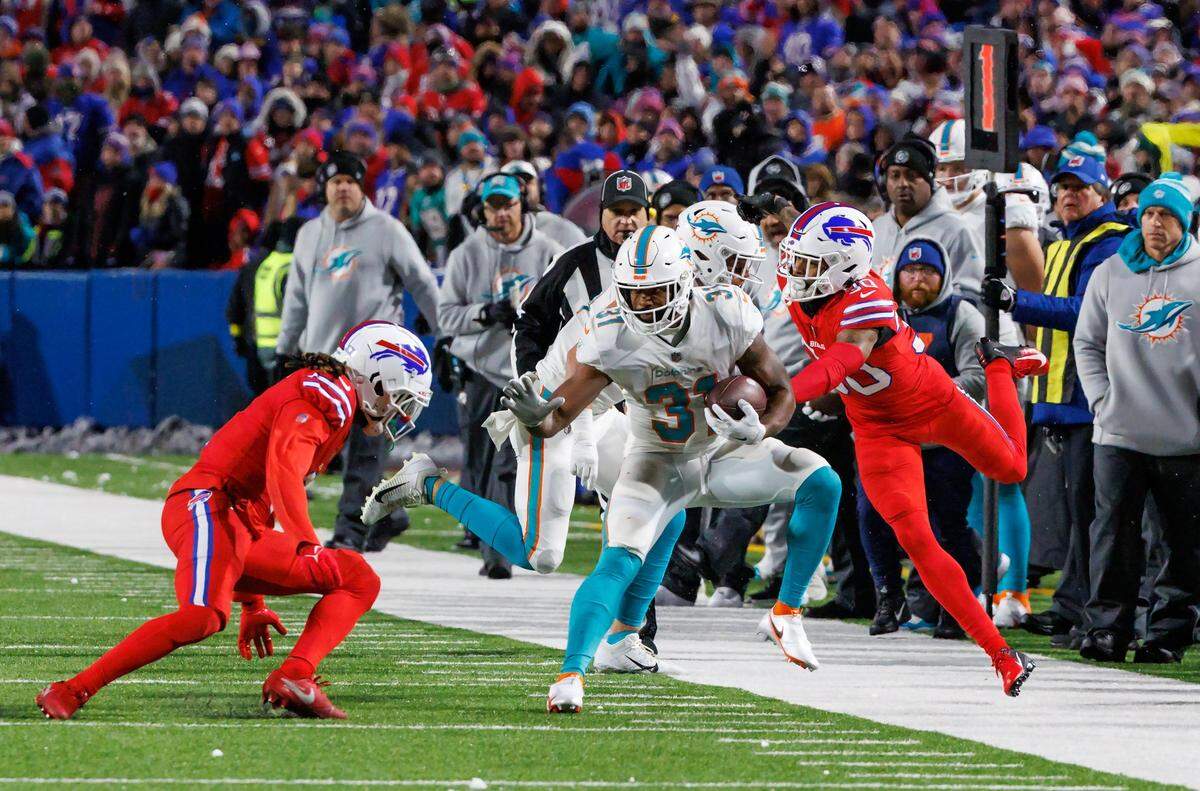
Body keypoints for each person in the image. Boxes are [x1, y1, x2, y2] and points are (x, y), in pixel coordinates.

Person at [500, 225, 839, 713]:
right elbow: (560, 416)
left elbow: (783, 391)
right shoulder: (611, 330)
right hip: (656, 462)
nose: (645, 306)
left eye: (656, 292)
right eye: (635, 295)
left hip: (723, 453)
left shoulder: (725, 312)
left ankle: (786, 613)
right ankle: (571, 674)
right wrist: (540, 417)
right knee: (618, 562)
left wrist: (761, 431)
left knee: (821, 479)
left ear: (684, 281)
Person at [35, 322, 432, 721]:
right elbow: (282, 471)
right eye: (402, 395)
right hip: (207, 504)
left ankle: (294, 676)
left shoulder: (336, 400)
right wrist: (306, 544)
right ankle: (71, 690)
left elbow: (266, 495)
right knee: (201, 617)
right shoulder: (327, 395)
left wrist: (252, 603)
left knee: (358, 578)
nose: (401, 409)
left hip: (239, 520)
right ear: (378, 375)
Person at [777, 200, 1039, 696]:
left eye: (808, 264)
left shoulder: (865, 302)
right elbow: (793, 247)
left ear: (843, 268)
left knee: (1012, 469)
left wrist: (784, 393)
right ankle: (1001, 655)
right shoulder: (805, 285)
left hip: (934, 403)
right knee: (918, 542)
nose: (794, 272)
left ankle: (1000, 365)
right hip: (878, 429)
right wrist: (774, 212)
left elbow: (838, 364)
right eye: (796, 261)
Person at [982, 155, 1130, 647]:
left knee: (1089, 508)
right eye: (1063, 187)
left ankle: (1091, 609)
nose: (1069, 196)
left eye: (1080, 188)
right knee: (1074, 508)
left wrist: (1014, 302)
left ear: (1100, 194)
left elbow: (1083, 312)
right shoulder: (1071, 239)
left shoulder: (1106, 243)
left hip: (1087, 394)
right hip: (1062, 393)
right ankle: (1073, 603)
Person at [276, 151, 440, 553]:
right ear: (324, 189)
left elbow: (421, 280)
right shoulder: (309, 234)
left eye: (351, 180)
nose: (344, 187)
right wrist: (285, 349)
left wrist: (445, 333)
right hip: (323, 360)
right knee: (318, 449)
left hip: (376, 364)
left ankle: (349, 531)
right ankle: (390, 514)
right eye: (336, 181)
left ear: (361, 186)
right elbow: (296, 296)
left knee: (366, 450)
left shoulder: (387, 229)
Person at [1074, 173, 1200, 664]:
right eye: (1148, 213)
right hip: (1119, 432)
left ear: (1185, 222)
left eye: (1166, 215)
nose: (1154, 223)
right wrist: (1102, 402)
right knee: (1111, 536)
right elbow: (1087, 343)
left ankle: (1168, 635)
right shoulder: (1110, 272)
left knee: (1182, 542)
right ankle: (1107, 630)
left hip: (1185, 437)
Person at [435, 173, 563, 577]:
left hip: (527, 373)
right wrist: (485, 313)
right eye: (493, 206)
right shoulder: (466, 254)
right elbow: (445, 315)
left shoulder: (550, 252)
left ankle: (500, 554)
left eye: (508, 204)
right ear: (482, 210)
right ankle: (488, 538)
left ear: (522, 206)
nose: (501, 213)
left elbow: (570, 307)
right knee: (478, 463)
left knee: (509, 464)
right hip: (480, 370)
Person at [860, 238, 985, 638]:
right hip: (891, 438)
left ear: (944, 275)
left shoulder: (960, 314)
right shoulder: (878, 314)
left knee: (947, 522)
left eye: (928, 272)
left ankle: (956, 609)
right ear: (896, 277)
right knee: (871, 514)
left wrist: (927, 395)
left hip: (945, 438)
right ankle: (887, 595)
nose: (918, 279)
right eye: (910, 271)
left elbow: (979, 376)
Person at [871, 137, 984, 299]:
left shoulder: (956, 230)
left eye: (912, 176)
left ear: (930, 180)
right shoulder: (876, 229)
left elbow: (971, 295)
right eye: (895, 176)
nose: (903, 183)